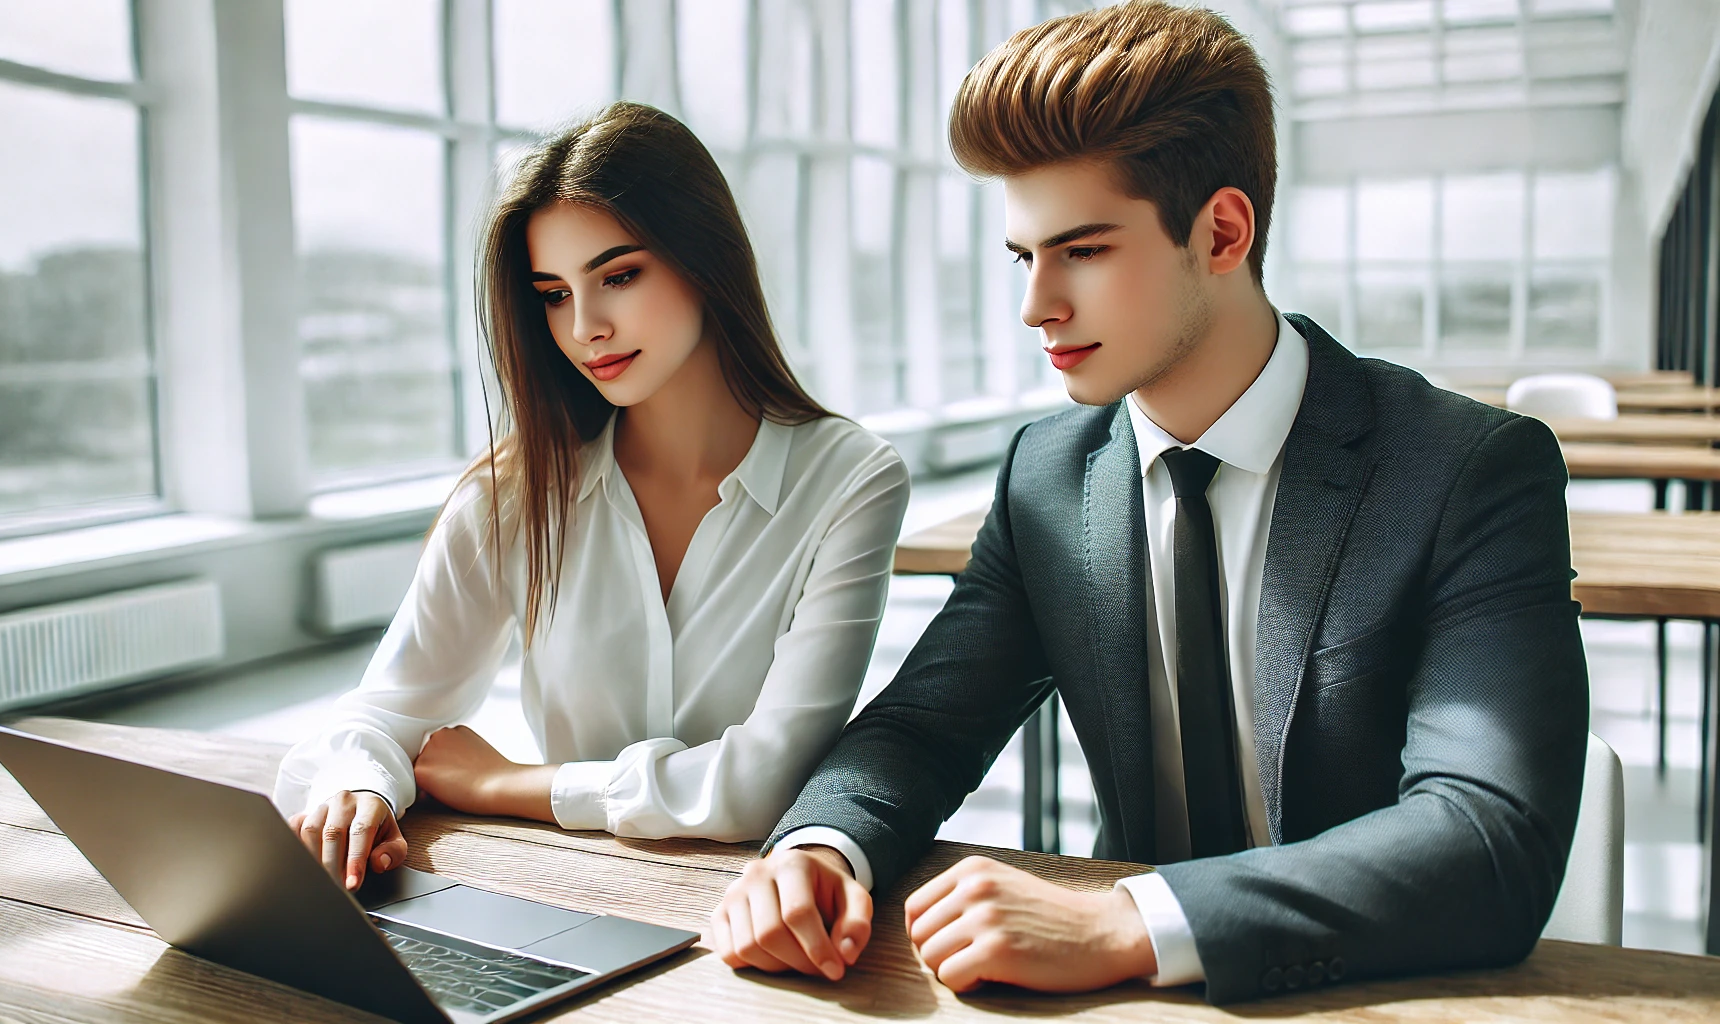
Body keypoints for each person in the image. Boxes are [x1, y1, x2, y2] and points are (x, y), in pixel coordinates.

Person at [711, 0, 1587, 1005]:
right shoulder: (1047, 474)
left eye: (1081, 250)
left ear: (1220, 231)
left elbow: (1488, 839)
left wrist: (1132, 915)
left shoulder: (1466, 469)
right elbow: (921, 729)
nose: (1036, 303)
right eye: (1023, 256)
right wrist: (822, 846)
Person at [274, 102, 909, 893]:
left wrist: (506, 785)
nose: (585, 329)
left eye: (618, 276)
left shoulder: (849, 478)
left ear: (703, 260)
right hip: (568, 885)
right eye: (552, 293)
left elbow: (764, 782)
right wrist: (360, 789)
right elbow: (381, 713)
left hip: (766, 904)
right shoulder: (516, 492)